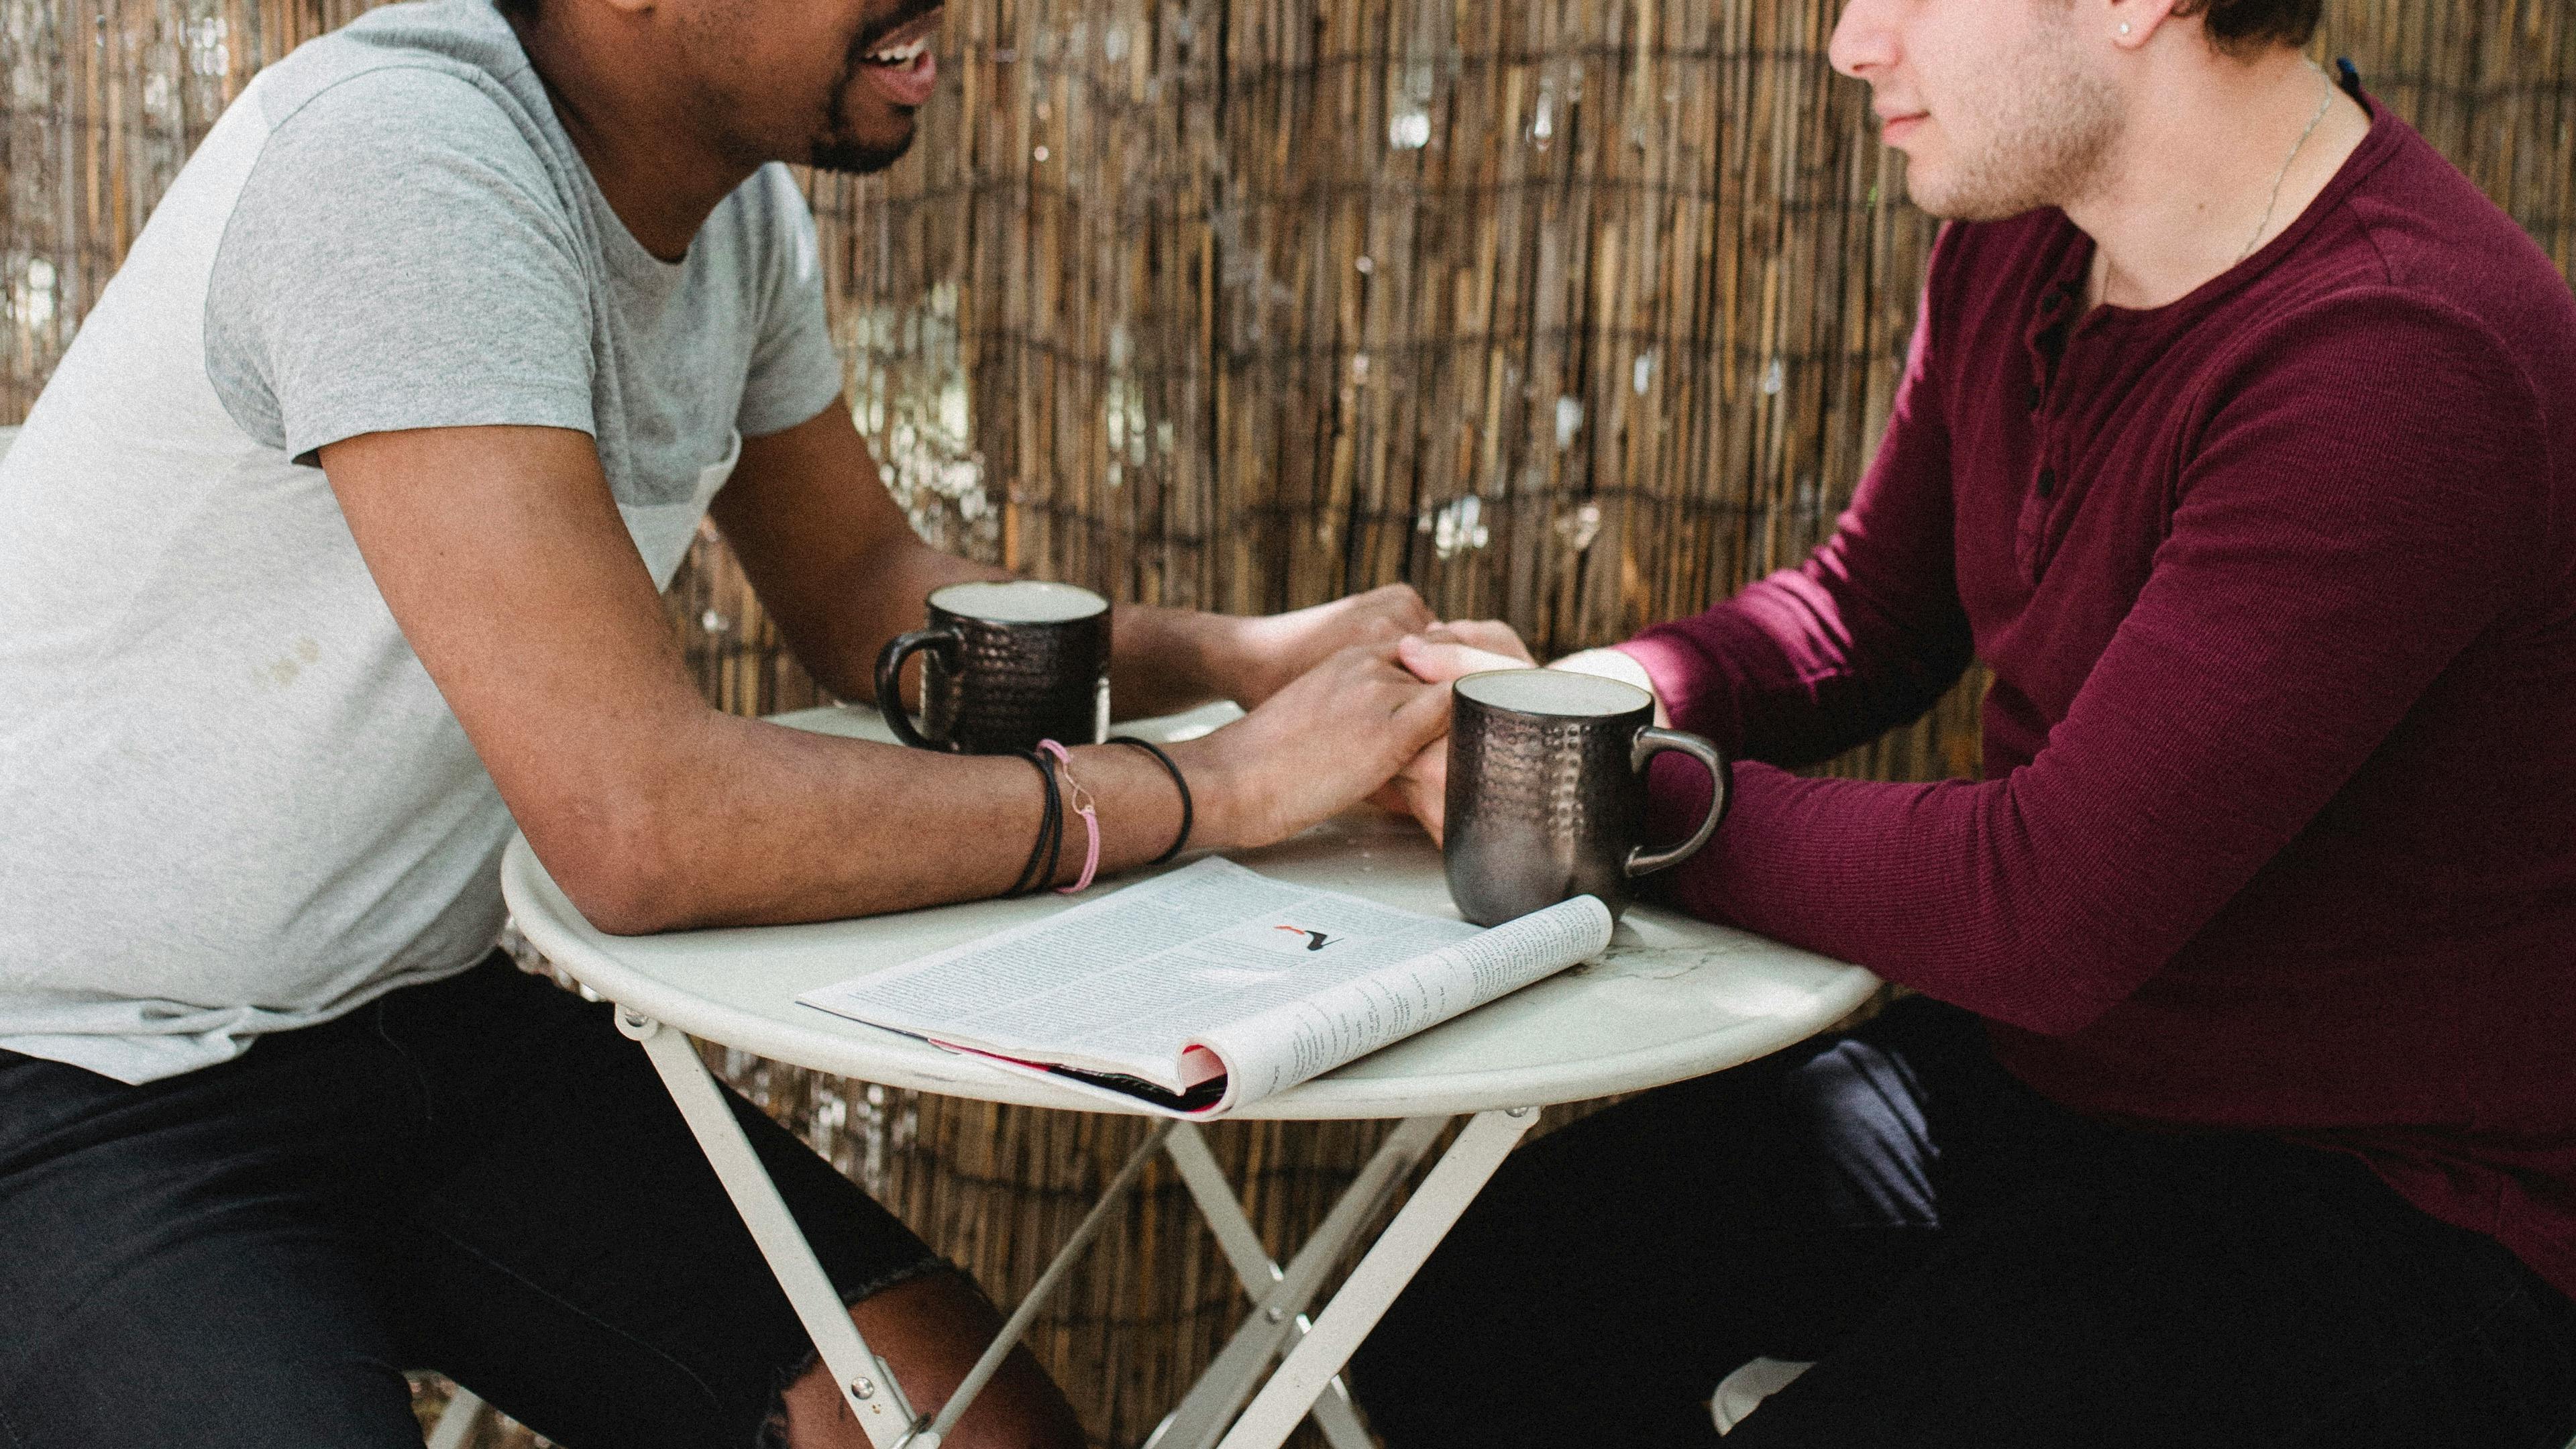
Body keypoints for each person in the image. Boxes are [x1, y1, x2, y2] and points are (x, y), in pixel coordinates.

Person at [0, 1, 1452, 1444]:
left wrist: (1245, 662)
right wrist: (1211, 786)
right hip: (67, 1074)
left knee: (968, 1433)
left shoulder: (727, 206)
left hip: (413, 1014)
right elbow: (643, 828)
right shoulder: (402, 167)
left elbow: (860, 587)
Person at [1351, 0, 2576, 1443]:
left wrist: (1587, 789)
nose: (1852, 44)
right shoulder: (2026, 236)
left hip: (2398, 1198)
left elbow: (2044, 903)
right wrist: (1562, 703)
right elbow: (1860, 619)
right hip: (2053, 1088)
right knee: (1468, 1315)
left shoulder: (2401, 356)